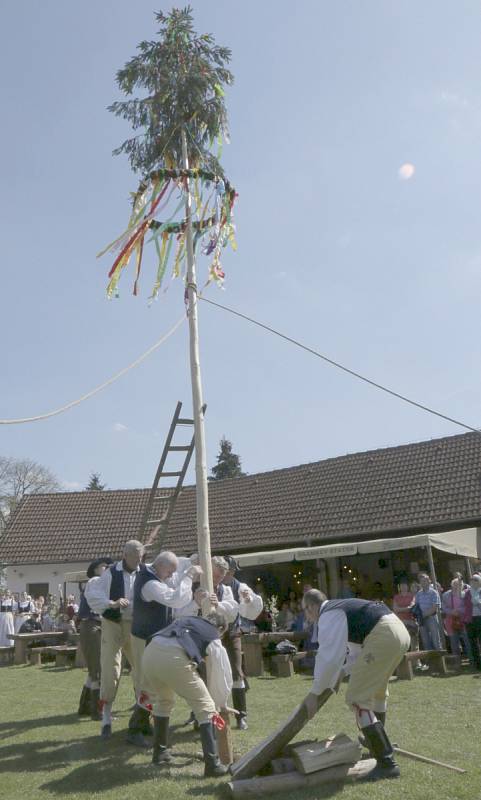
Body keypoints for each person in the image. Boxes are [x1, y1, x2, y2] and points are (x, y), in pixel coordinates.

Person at [301, 589, 410, 781]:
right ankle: (374, 743)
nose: (306, 615)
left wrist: (314, 693)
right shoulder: (341, 609)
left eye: (305, 610)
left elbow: (328, 655)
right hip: (398, 632)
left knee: (357, 699)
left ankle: (386, 763)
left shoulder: (328, 615)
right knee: (376, 692)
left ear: (311, 606)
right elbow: (355, 654)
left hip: (383, 635)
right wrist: (341, 672)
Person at [140, 612, 231, 776]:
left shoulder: (188, 619)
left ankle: (160, 753)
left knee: (163, 701)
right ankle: (213, 765)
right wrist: (221, 702)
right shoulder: (213, 634)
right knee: (206, 707)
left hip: (150, 653)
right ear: (220, 628)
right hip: (172, 657)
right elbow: (220, 672)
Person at [127, 551, 202, 746]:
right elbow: (175, 600)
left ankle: (143, 724)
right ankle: (135, 728)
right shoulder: (150, 583)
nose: (171, 576)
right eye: (170, 572)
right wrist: (188, 577)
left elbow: (175, 607)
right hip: (144, 638)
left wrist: (195, 601)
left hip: (152, 638)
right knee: (147, 683)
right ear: (161, 566)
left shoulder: (156, 576)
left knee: (153, 683)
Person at [85, 540, 144, 741]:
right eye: (134, 557)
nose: (138, 561)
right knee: (110, 668)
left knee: (142, 669)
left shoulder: (144, 571)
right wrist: (112, 603)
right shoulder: (111, 573)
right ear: (125, 555)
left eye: (140, 557)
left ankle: (143, 717)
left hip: (135, 625)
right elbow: (93, 594)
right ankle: (106, 719)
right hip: (113, 624)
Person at [222, 556, 263, 730]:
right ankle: (198, 715)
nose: (229, 574)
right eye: (227, 571)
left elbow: (252, 611)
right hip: (211, 633)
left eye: (231, 571)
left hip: (232, 633)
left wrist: (248, 600)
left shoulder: (240, 587)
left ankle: (241, 716)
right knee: (205, 672)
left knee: (237, 672)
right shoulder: (209, 582)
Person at [77, 557, 114, 720]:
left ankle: (85, 707)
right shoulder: (94, 581)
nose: (107, 568)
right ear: (96, 570)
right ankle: (97, 711)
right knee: (97, 670)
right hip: (91, 625)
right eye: (103, 566)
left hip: (94, 625)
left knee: (94, 671)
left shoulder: (100, 583)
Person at [392, 580, 427, 671]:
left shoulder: (412, 596)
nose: (403, 587)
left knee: (414, 643)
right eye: (402, 585)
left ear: (407, 587)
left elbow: (412, 607)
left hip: (411, 621)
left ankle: (416, 664)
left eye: (405, 585)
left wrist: (401, 609)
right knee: (402, 643)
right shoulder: (396, 597)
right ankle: (403, 665)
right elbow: (395, 609)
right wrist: (405, 608)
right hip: (400, 622)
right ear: (399, 587)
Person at [441, 577, 471, 660]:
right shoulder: (446, 595)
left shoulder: (465, 594)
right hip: (451, 622)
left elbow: (468, 606)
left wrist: (458, 611)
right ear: (452, 585)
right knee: (454, 642)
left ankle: (471, 660)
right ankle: (457, 662)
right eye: (456, 584)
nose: (458, 586)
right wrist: (451, 612)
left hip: (463, 621)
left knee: (467, 641)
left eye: (460, 584)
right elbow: (443, 607)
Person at [415, 574, 442, 651]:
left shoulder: (434, 593)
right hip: (422, 620)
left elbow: (435, 608)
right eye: (421, 581)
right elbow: (416, 606)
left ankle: (440, 660)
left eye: (425, 581)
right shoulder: (418, 594)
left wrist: (423, 614)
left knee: (436, 640)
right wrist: (419, 616)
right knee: (425, 641)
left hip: (432, 618)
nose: (423, 583)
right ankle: (430, 662)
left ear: (429, 582)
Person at [465, 573, 481, 670]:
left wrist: (478, 602)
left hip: (480, 618)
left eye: (475, 580)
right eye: (472, 580)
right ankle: (477, 663)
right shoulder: (467, 592)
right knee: (473, 642)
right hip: (470, 619)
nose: (473, 582)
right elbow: (459, 596)